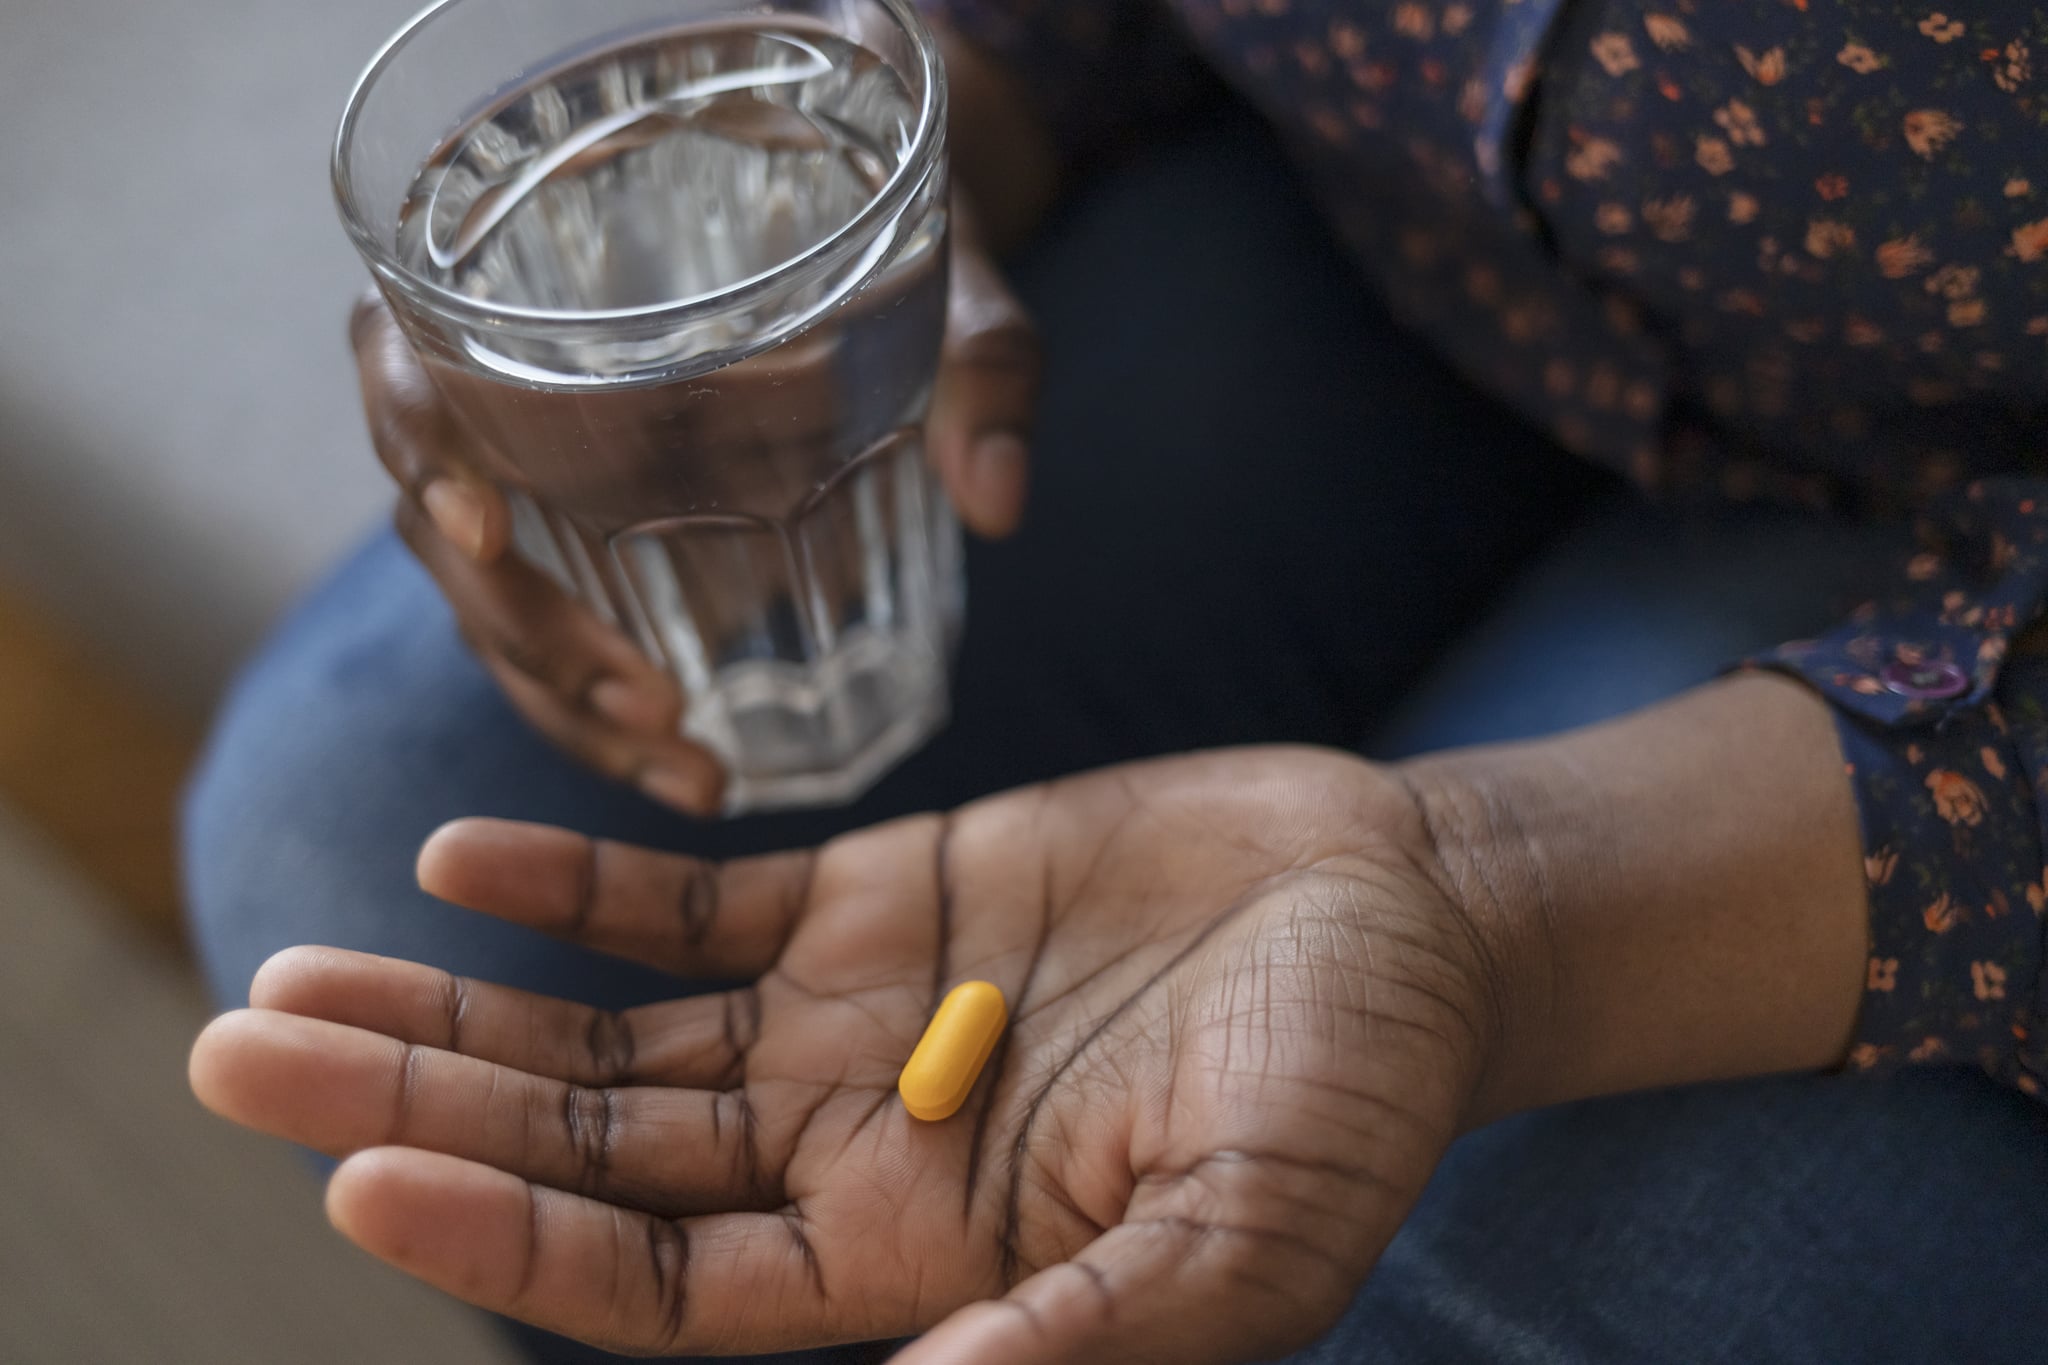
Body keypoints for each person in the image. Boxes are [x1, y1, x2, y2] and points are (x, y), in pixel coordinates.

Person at [185, 2, 2048, 1361]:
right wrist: (912, 147)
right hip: (1367, 201)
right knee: (367, 834)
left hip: (1976, 549)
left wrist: (1505, 906)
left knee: (1452, 1274)